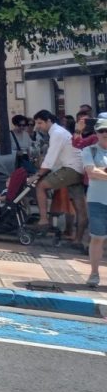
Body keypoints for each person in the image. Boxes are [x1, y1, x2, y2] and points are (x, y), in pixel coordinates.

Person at [28, 110, 88, 244]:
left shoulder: (57, 133)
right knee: (80, 208)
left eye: (40, 123)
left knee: (40, 186)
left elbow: (51, 157)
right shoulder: (60, 132)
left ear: (49, 121)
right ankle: (78, 240)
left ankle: (43, 220)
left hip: (71, 168)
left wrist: (38, 174)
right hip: (78, 169)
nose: (38, 126)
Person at [83, 116, 107, 288]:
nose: (105, 133)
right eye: (101, 130)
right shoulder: (89, 150)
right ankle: (94, 273)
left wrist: (101, 172)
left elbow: (97, 173)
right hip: (97, 201)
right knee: (97, 237)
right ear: (96, 133)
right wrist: (97, 172)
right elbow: (91, 173)